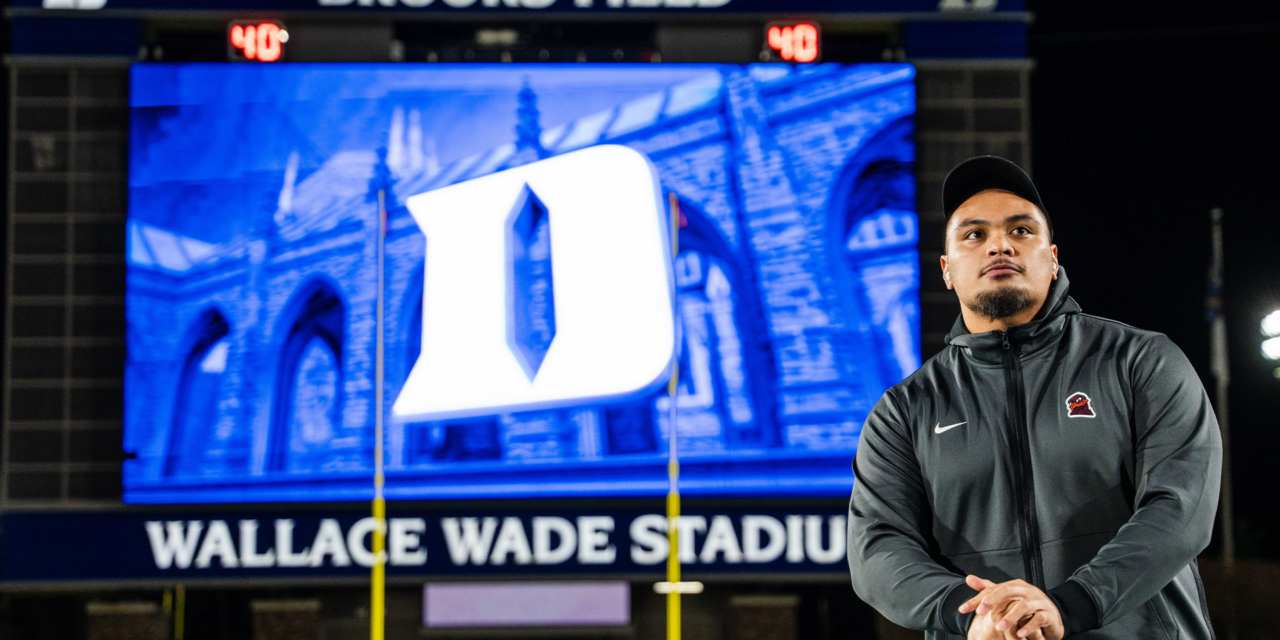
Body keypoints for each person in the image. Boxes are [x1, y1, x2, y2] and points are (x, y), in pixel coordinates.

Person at [846, 156, 1222, 639]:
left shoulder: (1140, 361)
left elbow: (1180, 508)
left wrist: (1071, 605)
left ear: (1053, 258)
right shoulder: (904, 411)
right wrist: (974, 613)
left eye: (1021, 231)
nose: (999, 244)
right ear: (946, 270)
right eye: (973, 235)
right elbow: (876, 548)